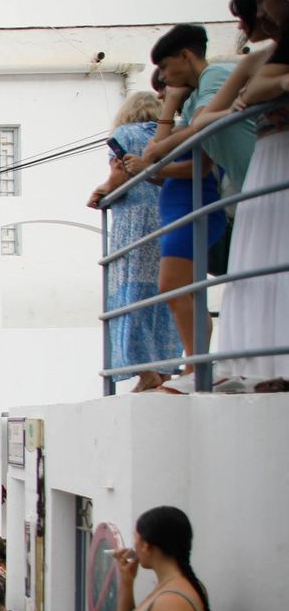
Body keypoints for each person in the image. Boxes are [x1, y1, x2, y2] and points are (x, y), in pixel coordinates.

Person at [121, 25, 230, 371]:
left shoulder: (203, 102)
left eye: (166, 75)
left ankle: (197, 365)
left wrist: (153, 166)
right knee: (183, 290)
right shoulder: (185, 115)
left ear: (185, 57)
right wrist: (169, 105)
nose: (164, 82)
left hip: (194, 205)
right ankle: (195, 363)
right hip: (178, 207)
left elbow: (197, 168)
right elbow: (156, 157)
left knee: (174, 286)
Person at [217, 0, 289, 384]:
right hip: (270, 159)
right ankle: (268, 362)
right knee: (266, 257)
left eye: (261, 3)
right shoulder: (268, 54)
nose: (261, 17)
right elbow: (260, 87)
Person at [92, 92, 189, 391]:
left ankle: (145, 373)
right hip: (169, 218)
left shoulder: (124, 135)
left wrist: (100, 192)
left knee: (130, 297)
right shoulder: (173, 135)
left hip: (134, 224)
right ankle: (166, 370)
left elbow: (119, 176)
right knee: (168, 297)